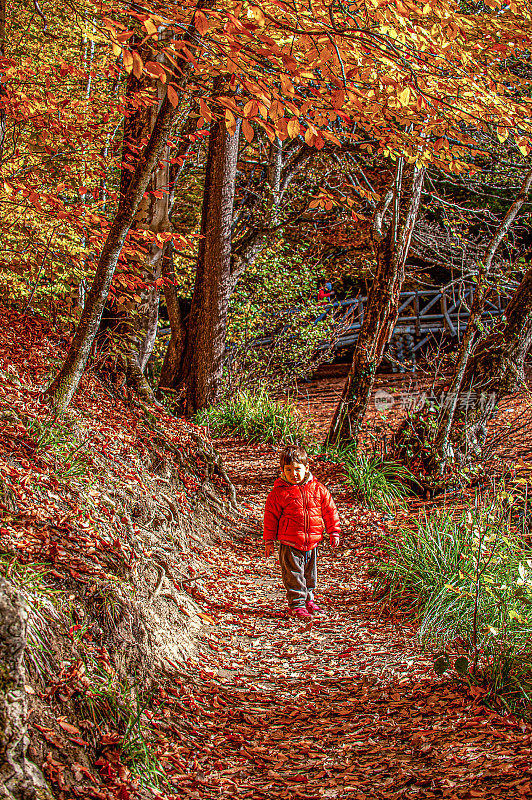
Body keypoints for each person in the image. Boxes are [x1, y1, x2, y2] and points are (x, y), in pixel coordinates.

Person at [263, 445, 341, 619]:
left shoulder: (318, 489)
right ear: (282, 471)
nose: (294, 474)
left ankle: (308, 601)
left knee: (310, 575)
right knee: (294, 576)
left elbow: (330, 510)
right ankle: (296, 605)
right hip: (290, 543)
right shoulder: (279, 493)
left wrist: (334, 531)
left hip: (312, 543)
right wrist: (269, 540)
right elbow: (270, 518)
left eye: (297, 469)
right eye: (288, 470)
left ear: (306, 468)